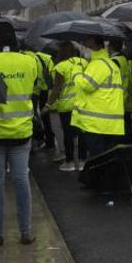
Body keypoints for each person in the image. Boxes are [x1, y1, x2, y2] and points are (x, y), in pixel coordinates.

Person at [0, 23, 40, 246]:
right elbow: (34, 88)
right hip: (22, 132)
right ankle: (26, 232)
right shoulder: (29, 62)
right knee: (22, 180)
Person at [72, 36, 125, 158]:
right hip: (108, 123)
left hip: (96, 124)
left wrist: (77, 72)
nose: (84, 49)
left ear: (93, 46)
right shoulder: (109, 63)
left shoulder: (98, 64)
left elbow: (87, 85)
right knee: (107, 159)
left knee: (98, 160)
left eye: (86, 46)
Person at [45, 42, 88, 171]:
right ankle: (82, 161)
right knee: (82, 134)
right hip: (82, 104)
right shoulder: (83, 63)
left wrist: (48, 104)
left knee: (68, 135)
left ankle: (69, 162)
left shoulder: (61, 66)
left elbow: (57, 88)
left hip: (66, 106)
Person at [27, 45, 57, 152]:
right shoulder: (46, 58)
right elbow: (52, 74)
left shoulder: (27, 58)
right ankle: (50, 140)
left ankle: (36, 140)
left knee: (32, 116)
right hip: (45, 89)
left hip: (33, 91)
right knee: (45, 116)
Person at [108, 39, 132, 145]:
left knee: (121, 128)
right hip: (126, 97)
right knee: (128, 124)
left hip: (118, 99)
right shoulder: (123, 59)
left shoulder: (113, 61)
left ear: (111, 47)